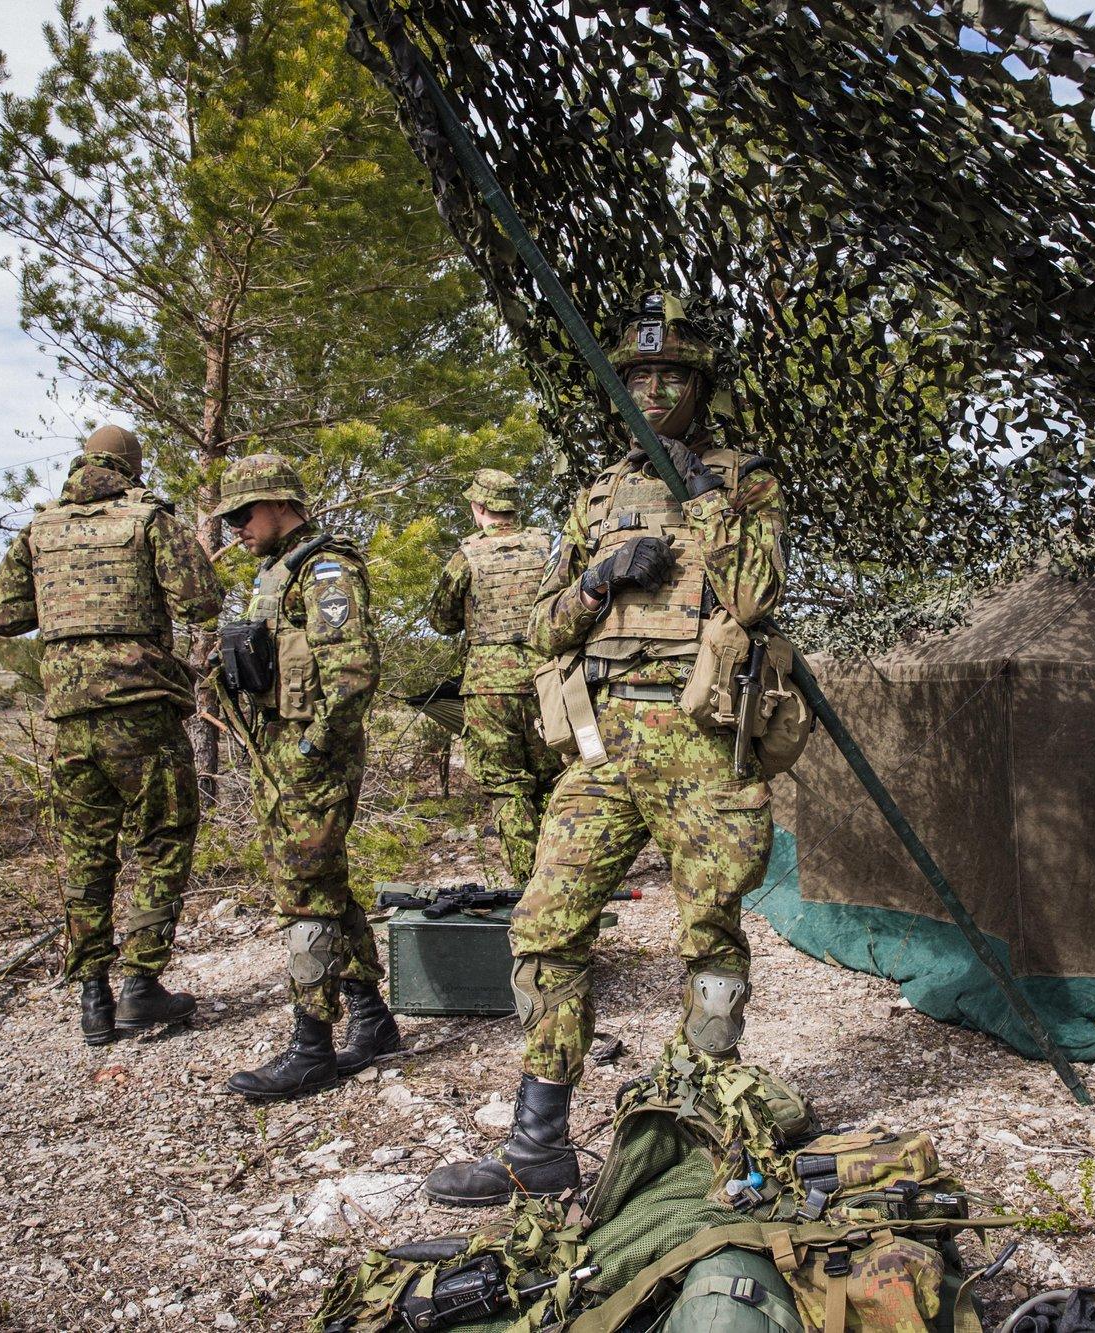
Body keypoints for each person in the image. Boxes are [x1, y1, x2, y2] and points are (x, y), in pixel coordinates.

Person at [424, 296, 787, 1207]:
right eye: (638, 376)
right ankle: (538, 1143)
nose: (654, 388)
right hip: (603, 742)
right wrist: (594, 581)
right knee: (544, 924)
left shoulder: (744, 478)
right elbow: (543, 630)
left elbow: (750, 598)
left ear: (701, 384)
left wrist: (702, 496)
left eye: (672, 374)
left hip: (705, 741)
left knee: (709, 937)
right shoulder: (594, 494)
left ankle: (704, 1131)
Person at [0, 424, 222, 1046]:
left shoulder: (39, 528)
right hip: (140, 709)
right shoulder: (149, 521)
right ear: (132, 466)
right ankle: (141, 987)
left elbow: (5, 616)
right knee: (162, 838)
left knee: (86, 852)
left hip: (69, 717)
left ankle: (93, 993)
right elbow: (200, 602)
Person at [209, 453, 399, 1100]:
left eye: (243, 512)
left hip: (309, 760)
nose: (235, 525)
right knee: (327, 884)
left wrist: (313, 750)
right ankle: (372, 1020)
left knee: (303, 895)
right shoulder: (277, 574)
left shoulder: (325, 568)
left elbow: (353, 672)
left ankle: (311, 1044)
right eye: (230, 516)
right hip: (284, 754)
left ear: (280, 504)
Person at [425, 468, 562, 886]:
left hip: (489, 687)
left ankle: (527, 881)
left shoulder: (466, 555)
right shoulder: (549, 548)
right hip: (547, 680)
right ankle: (563, 877)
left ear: (478, 508)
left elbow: (442, 620)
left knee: (506, 785)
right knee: (556, 780)